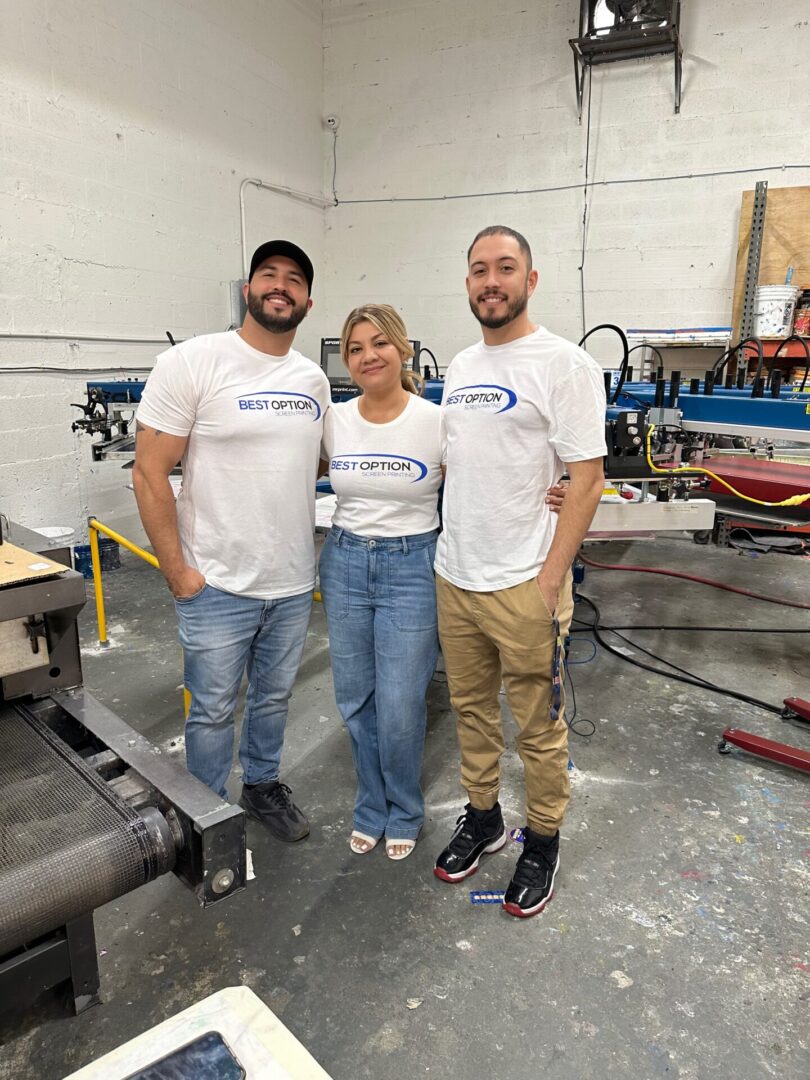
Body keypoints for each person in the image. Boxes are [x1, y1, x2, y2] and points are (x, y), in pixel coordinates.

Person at [433, 225, 607, 917]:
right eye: (479, 269)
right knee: (470, 712)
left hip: (525, 581)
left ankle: (542, 838)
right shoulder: (462, 364)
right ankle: (482, 819)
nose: (491, 281)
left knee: (538, 726)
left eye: (506, 268)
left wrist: (549, 579)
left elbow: (587, 479)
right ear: (468, 282)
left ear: (530, 280)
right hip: (457, 576)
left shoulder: (563, 363)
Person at [133, 241, 330, 842]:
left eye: (293, 279)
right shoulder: (194, 362)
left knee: (272, 702)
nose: (280, 285)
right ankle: (207, 814)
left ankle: (264, 787)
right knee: (214, 711)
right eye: (268, 275)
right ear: (247, 290)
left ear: (307, 300)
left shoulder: (314, 380)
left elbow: (349, 460)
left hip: (293, 582)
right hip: (215, 581)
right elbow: (148, 472)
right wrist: (179, 573)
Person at [318, 305, 444, 860]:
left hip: (412, 568)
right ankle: (371, 805)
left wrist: (553, 489)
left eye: (379, 344)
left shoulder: (436, 422)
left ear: (404, 349)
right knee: (355, 699)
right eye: (355, 349)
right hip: (345, 562)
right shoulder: (334, 420)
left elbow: (484, 479)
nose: (368, 356)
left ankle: (406, 808)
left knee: (400, 704)